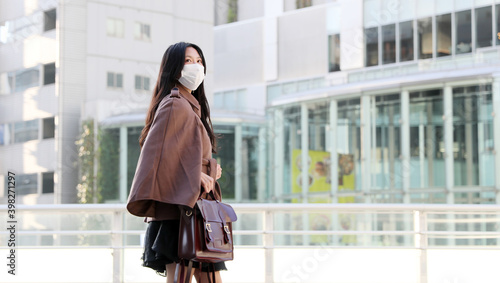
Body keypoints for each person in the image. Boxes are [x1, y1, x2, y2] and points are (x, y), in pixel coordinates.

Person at [127, 42, 225, 283]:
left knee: (205, 277)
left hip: (193, 208)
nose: (196, 66)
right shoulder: (175, 103)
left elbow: (178, 153)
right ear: (174, 67)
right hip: (181, 212)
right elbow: (157, 155)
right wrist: (194, 175)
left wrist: (210, 169)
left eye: (199, 61)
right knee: (184, 278)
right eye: (188, 61)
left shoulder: (189, 105)